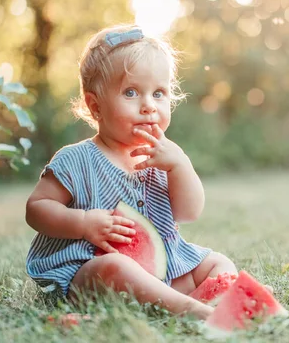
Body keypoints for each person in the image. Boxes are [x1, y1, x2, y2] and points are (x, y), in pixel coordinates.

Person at [25, 25, 238, 320]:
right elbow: (36, 209)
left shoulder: (164, 158)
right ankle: (189, 308)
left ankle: (201, 306)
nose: (149, 106)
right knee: (116, 266)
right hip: (89, 277)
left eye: (159, 93)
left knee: (219, 263)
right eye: (131, 92)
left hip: (165, 270)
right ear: (95, 105)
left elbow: (189, 212)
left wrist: (181, 164)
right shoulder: (75, 160)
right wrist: (84, 223)